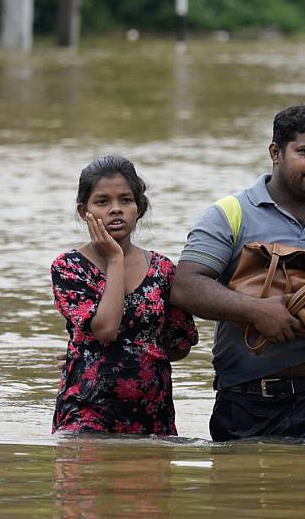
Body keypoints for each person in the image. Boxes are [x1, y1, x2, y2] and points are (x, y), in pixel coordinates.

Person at [171, 101, 305, 444]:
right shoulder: (230, 214)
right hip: (246, 401)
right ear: (275, 152)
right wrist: (257, 311)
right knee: (246, 494)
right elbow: (185, 286)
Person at [51, 155, 198, 436]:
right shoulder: (69, 268)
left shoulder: (163, 269)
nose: (115, 209)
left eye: (125, 200)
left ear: (139, 208)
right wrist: (115, 259)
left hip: (153, 416)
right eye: (102, 202)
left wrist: (130, 354)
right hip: (86, 411)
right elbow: (105, 331)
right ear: (84, 212)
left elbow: (179, 345)